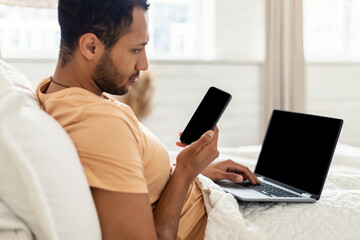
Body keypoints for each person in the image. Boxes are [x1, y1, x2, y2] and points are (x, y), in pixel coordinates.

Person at [36, 0, 261, 239]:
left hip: (209, 197)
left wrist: (195, 172)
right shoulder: (100, 124)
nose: (143, 64)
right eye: (136, 49)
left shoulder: (55, 92)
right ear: (91, 47)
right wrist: (184, 172)